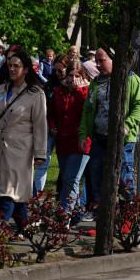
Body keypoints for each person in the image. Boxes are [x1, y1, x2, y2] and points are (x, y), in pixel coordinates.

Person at [0, 47, 48, 230]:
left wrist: (40, 153)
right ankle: (25, 229)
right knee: (14, 193)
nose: (12, 69)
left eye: (17, 66)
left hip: (20, 149)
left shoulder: (35, 94)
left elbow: (40, 125)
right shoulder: (2, 88)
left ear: (26, 69)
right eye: (10, 66)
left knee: (7, 191)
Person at [77, 48, 140, 214]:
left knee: (123, 178)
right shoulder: (96, 82)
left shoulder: (131, 80)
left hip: (123, 141)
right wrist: (83, 134)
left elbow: (138, 106)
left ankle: (130, 215)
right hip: (99, 139)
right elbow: (87, 109)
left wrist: (127, 125)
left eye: (102, 61)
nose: (98, 65)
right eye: (96, 61)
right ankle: (102, 217)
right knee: (96, 176)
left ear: (114, 59)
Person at [51, 58, 90, 211]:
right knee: (67, 179)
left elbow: (86, 113)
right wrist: (53, 126)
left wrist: (79, 91)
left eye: (76, 76)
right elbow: (51, 113)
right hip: (63, 141)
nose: (72, 79)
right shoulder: (59, 91)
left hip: (80, 143)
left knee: (71, 178)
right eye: (70, 76)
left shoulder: (86, 91)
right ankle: (77, 213)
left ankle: (64, 213)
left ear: (82, 76)